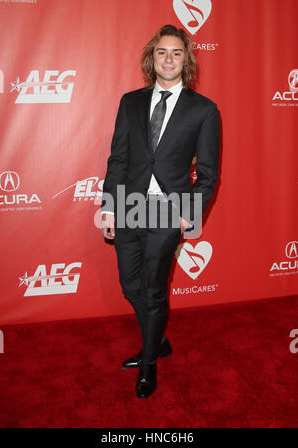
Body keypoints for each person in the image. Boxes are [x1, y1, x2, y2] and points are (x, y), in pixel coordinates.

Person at [100, 24, 220, 398]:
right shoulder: (130, 102)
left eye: (177, 53)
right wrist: (109, 207)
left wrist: (189, 213)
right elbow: (118, 158)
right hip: (130, 207)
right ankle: (159, 340)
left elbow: (208, 174)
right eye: (162, 52)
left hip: (168, 211)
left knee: (153, 289)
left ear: (187, 60)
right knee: (129, 284)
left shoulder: (204, 110)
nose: (169, 59)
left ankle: (149, 361)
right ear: (152, 58)